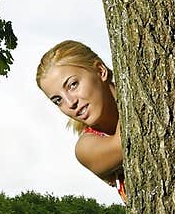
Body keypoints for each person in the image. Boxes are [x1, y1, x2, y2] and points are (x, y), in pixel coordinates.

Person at [36, 40, 126, 202]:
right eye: (58, 100)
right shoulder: (86, 148)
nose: (70, 103)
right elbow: (127, 141)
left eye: (72, 85)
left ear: (100, 70)